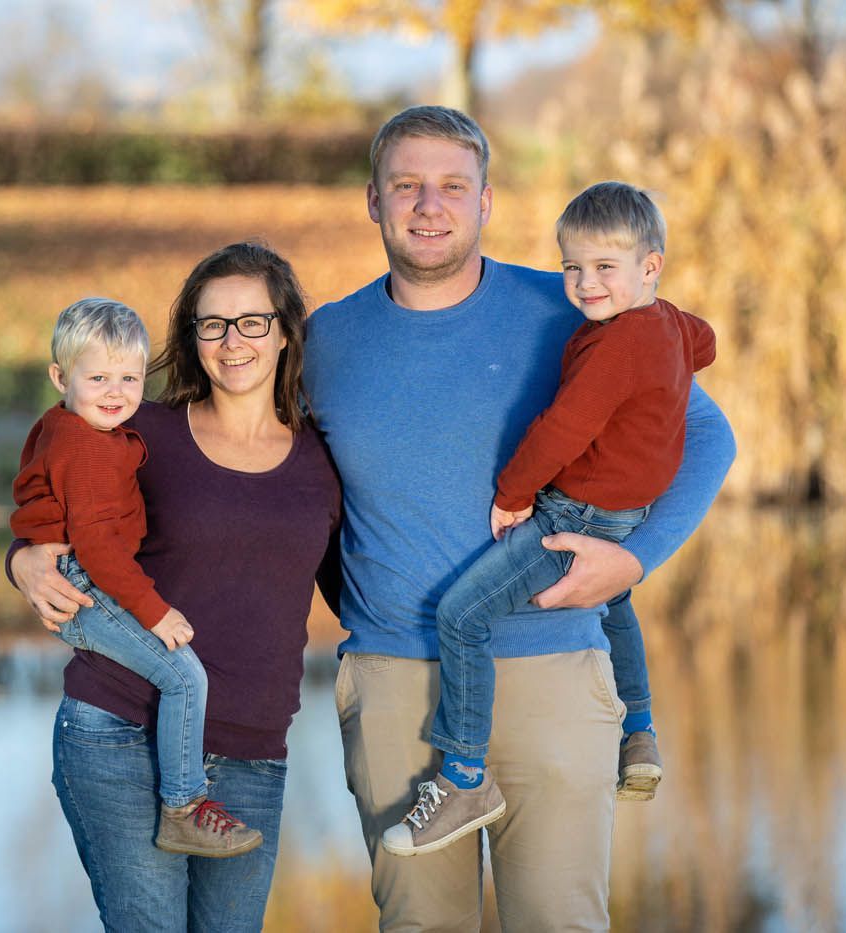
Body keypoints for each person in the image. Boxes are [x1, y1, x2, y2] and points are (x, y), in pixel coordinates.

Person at [303, 106, 735, 929]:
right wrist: (43, 546)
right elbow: (263, 475)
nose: (430, 205)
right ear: (372, 200)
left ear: (486, 202)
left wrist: (635, 559)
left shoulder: (574, 307)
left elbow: (708, 433)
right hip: (396, 684)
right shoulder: (327, 340)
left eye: (452, 187)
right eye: (407, 186)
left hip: (553, 671)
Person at [7, 243, 341, 932]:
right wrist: (23, 561)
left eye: (252, 320)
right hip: (120, 731)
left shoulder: (324, 457)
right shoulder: (141, 429)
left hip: (252, 751)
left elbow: (358, 583)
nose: (232, 339)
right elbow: (57, 502)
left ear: (285, 330)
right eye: (211, 323)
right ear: (192, 337)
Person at [379, 181, 717, 858]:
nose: (584, 284)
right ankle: (640, 731)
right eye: (572, 267)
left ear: (649, 267)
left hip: (576, 514)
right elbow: (705, 343)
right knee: (615, 600)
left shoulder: (617, 345)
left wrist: (512, 492)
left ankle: (466, 774)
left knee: (462, 616)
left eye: (604, 268)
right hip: (626, 514)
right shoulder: (671, 325)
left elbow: (562, 428)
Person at [10, 296, 261, 858]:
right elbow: (97, 547)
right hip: (84, 587)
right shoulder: (89, 448)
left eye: (128, 377)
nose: (115, 392)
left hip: (83, 575)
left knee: (179, 677)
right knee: (185, 677)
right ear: (60, 377)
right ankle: (184, 806)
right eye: (97, 377)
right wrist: (156, 612)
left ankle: (182, 799)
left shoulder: (73, 428)